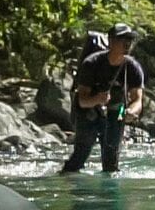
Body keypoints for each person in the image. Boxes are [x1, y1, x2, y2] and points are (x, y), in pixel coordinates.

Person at [61, 22, 145, 174]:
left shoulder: (133, 67)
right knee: (80, 155)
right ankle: (68, 183)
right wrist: (97, 99)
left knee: (111, 163)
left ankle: (108, 196)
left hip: (115, 113)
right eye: (123, 39)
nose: (127, 44)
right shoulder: (91, 64)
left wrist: (131, 111)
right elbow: (82, 100)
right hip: (88, 113)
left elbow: (137, 99)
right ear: (111, 41)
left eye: (130, 40)